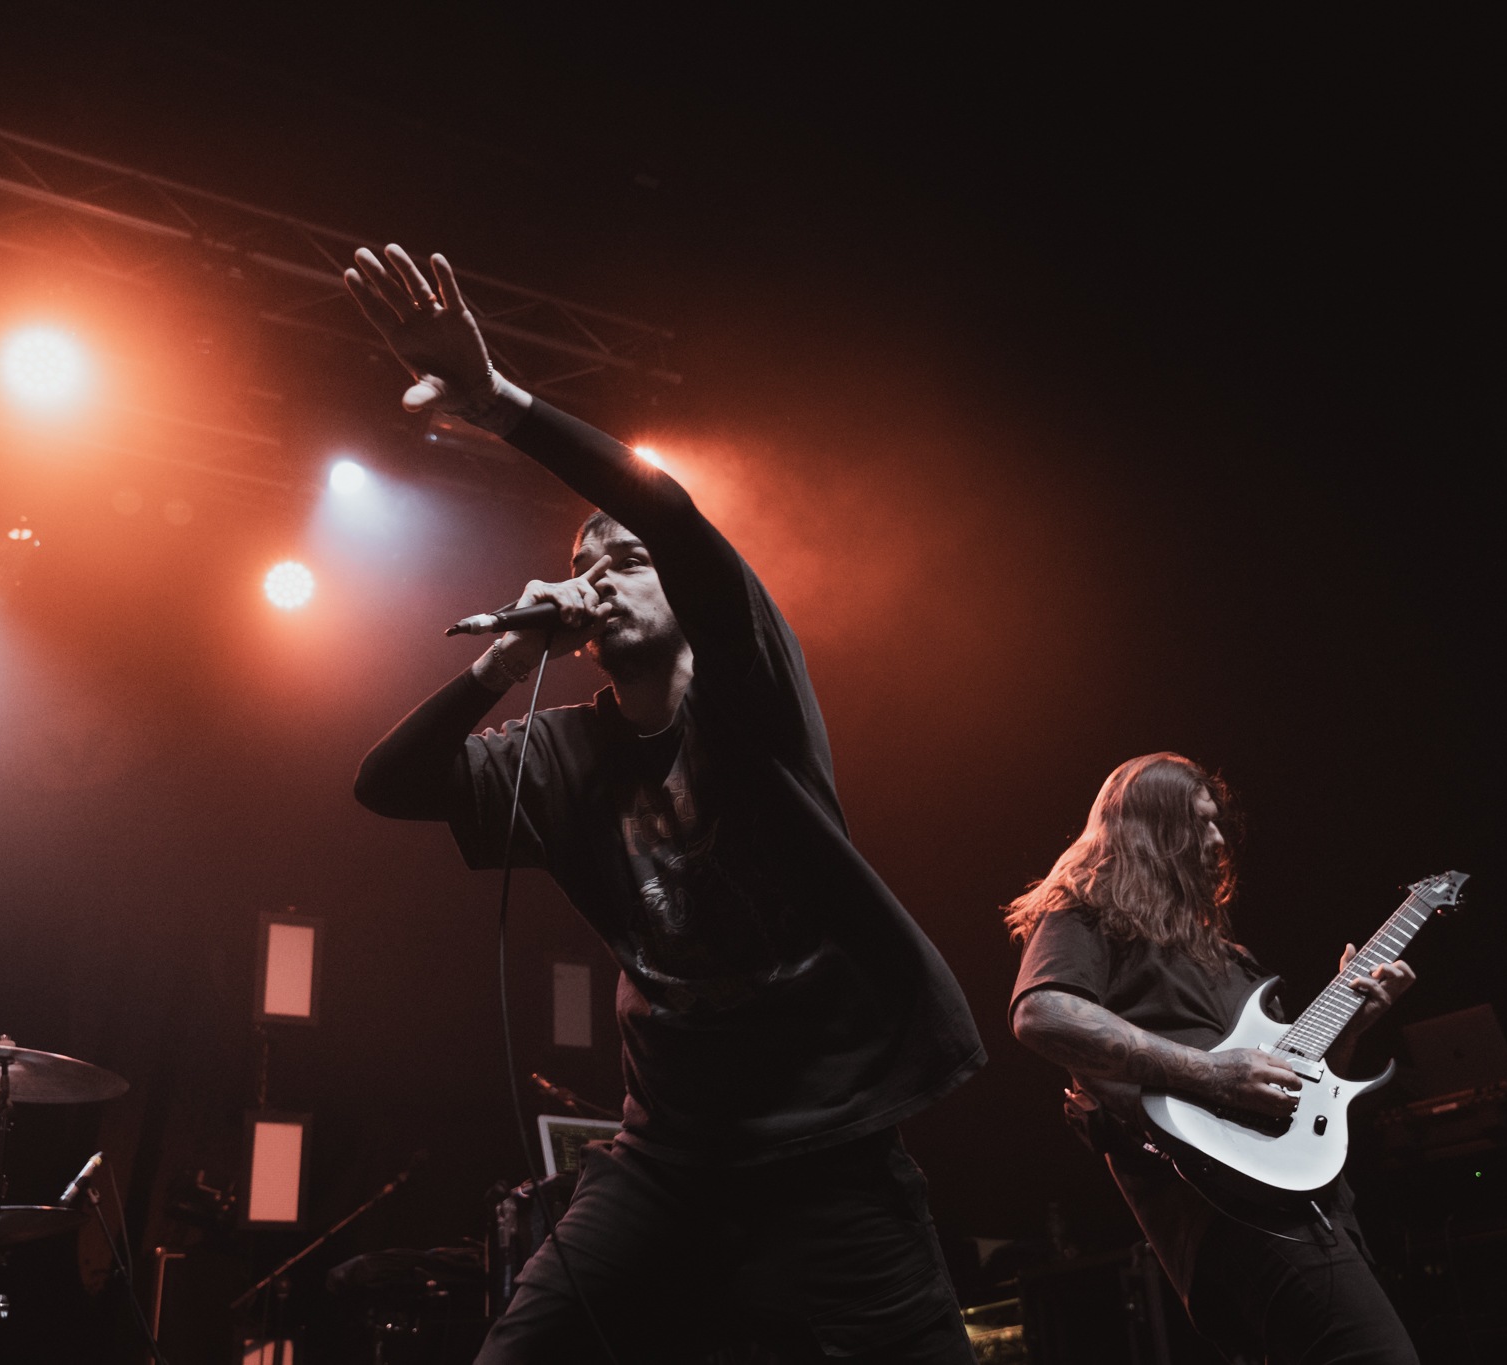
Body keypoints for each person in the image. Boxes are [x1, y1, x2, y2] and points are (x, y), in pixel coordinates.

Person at [344, 244, 985, 1365]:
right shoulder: (560, 750)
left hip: (825, 1149)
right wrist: (504, 660)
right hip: (665, 1161)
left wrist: (498, 404)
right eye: (588, 567)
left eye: (627, 562)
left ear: (682, 598)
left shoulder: (750, 696)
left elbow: (675, 519)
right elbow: (386, 787)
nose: (603, 579)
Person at [1006, 752, 1419, 1364]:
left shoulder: (1234, 957)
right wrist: (1212, 1074)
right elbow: (1041, 1013)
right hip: (1219, 1208)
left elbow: (1295, 1084)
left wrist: (1353, 1027)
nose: (1219, 840)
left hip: (1313, 1200)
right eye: (1200, 822)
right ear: (1152, 827)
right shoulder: (1086, 909)